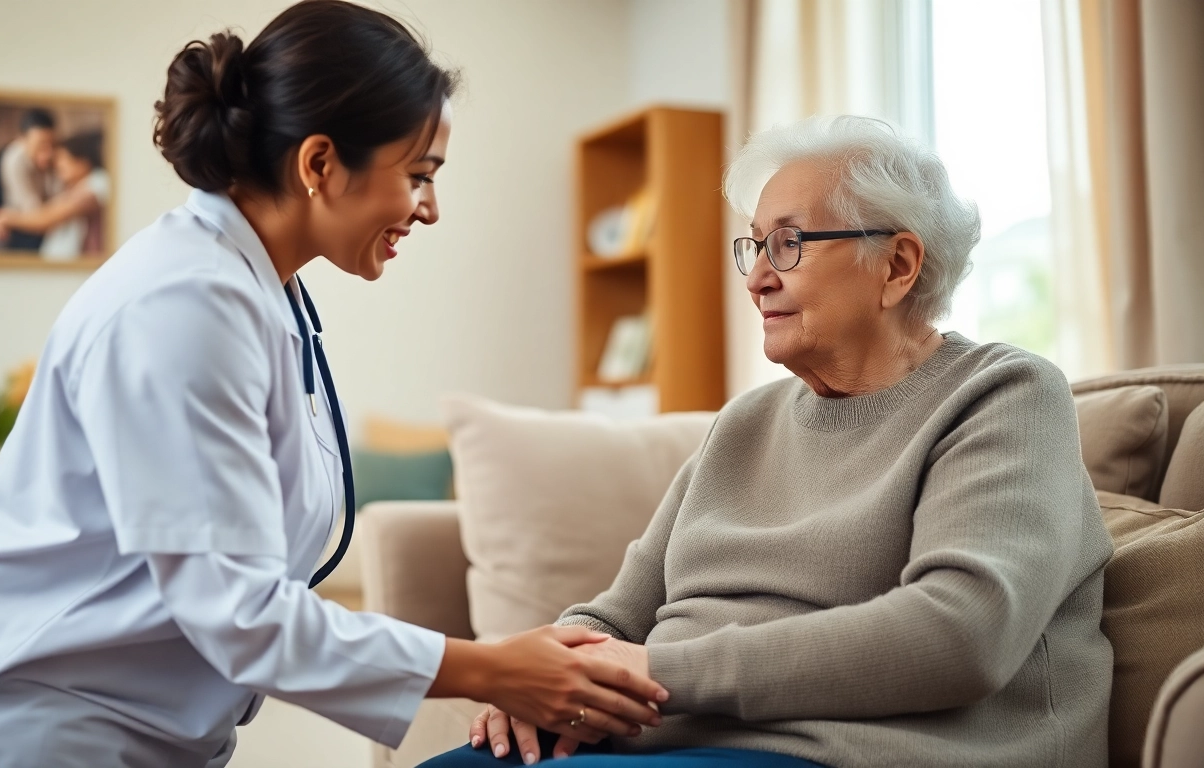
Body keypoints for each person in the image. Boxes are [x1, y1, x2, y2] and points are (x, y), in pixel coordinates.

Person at [0, 3, 668, 767]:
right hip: (8, 729)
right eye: (419, 175)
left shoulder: (259, 294)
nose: (430, 209)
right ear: (320, 163)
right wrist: (490, 669)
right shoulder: (181, 303)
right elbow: (237, 611)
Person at [437, 116, 1114, 767]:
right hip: (668, 740)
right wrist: (555, 668)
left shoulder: (1004, 397)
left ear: (897, 265)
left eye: (789, 244)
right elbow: (620, 612)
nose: (758, 276)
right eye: (754, 246)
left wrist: (660, 668)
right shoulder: (745, 422)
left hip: (834, 754)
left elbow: (962, 633)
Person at [0, 130, 111, 261]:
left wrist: (6, 217)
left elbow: (45, 219)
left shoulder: (97, 184)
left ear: (82, 162)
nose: (57, 165)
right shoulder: (77, 187)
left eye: (63, 159)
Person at [0, 107, 56, 250]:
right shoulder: (14, 160)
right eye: (40, 145)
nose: (48, 153)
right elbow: (33, 212)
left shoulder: (56, 156)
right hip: (17, 233)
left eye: (51, 144)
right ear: (22, 140)